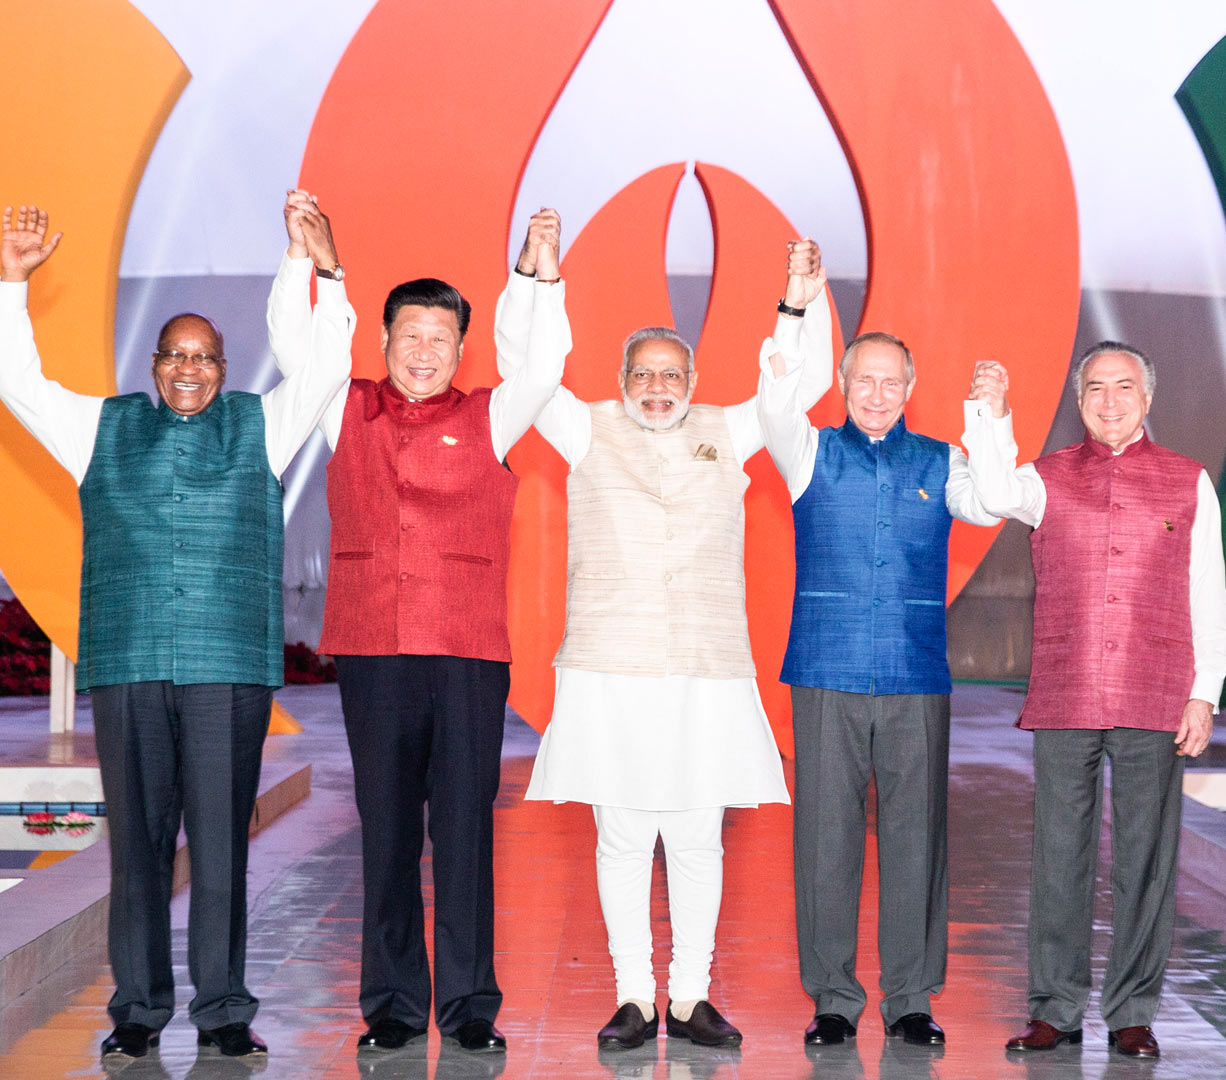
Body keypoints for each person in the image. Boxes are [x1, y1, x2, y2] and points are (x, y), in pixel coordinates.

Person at [0, 198, 353, 1063]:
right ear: (155, 366)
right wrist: (11, 282)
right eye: (176, 355)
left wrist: (323, 270)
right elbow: (14, 381)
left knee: (221, 846)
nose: (190, 368)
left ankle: (223, 1011)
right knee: (139, 850)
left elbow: (328, 367)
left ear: (225, 368)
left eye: (205, 356)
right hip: (131, 664)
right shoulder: (99, 428)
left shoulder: (263, 426)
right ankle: (139, 1010)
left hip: (228, 666)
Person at [513, 239, 836, 1051]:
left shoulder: (730, 428)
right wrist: (541, 281)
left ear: (692, 381)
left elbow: (797, 388)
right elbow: (527, 370)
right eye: (642, 374)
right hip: (609, 667)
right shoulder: (583, 428)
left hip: (704, 669)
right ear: (622, 380)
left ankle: (690, 998)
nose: (656, 388)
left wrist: (795, 307)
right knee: (623, 840)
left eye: (671, 375)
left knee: (695, 839)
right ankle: (632, 996)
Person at [269, 206, 568, 1054]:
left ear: (462, 347)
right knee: (388, 828)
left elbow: (544, 365)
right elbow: (297, 348)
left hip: (467, 652)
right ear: (384, 339)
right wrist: (315, 267)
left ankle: (470, 1005)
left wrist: (537, 274)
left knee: (465, 829)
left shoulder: (492, 416)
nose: (424, 351)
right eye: (410, 334)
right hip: (374, 650)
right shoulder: (345, 407)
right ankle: (394, 1006)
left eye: (441, 337)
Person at [969, 343, 1226, 1060]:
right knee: (1059, 856)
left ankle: (1132, 1014)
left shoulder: (1188, 481)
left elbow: (1207, 591)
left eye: (1123, 388)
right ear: (1078, 400)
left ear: (1147, 398)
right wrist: (991, 415)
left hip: (1156, 691)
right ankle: (1053, 1010)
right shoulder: (1046, 476)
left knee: (1145, 861)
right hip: (1067, 689)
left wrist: (1204, 692)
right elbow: (990, 496)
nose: (1109, 401)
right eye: (1095, 389)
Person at [756, 331, 1003, 1048]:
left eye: (891, 381)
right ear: (841, 382)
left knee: (916, 838)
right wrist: (792, 314)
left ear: (910, 388)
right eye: (863, 379)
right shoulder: (808, 453)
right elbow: (775, 409)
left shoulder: (943, 461)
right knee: (825, 839)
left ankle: (911, 998)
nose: (876, 394)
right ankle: (833, 998)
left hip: (915, 673)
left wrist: (989, 419)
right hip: (825, 671)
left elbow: (992, 503)